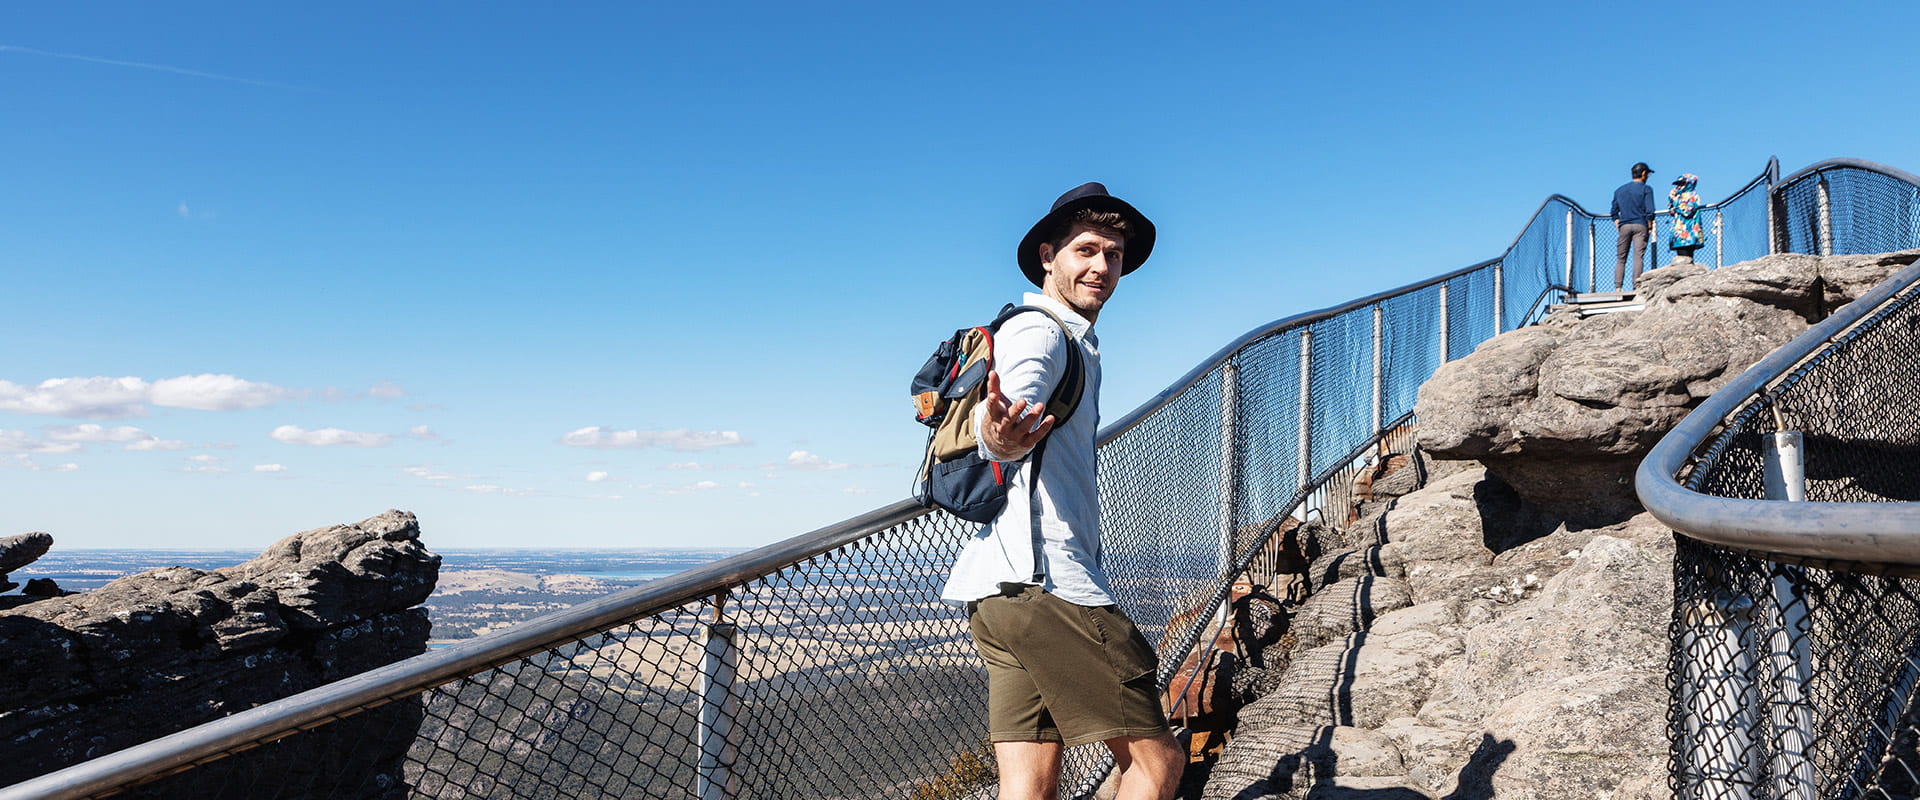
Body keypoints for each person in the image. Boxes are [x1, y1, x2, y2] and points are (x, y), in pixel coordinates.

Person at [940, 182, 1185, 800]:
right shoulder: (1043, 333)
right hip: (1049, 586)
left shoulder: (1065, 337)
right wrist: (999, 432)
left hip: (996, 595)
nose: (1103, 267)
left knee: (1027, 788)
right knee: (1155, 766)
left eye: (1115, 255)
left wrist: (1002, 435)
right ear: (1049, 255)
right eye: (1086, 250)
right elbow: (1008, 416)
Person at [1611, 162, 1657, 291]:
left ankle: (1618, 287)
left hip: (1624, 225)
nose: (1647, 176)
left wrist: (1617, 223)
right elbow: (1650, 210)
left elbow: (1614, 212)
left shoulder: (1619, 190)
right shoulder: (1646, 189)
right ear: (1643, 173)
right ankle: (1636, 286)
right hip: (1640, 225)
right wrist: (1649, 225)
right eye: (1647, 174)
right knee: (1638, 256)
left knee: (1621, 258)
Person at [1668, 173, 1706, 264]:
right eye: (1678, 184)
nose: (1679, 186)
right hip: (1679, 233)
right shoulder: (1679, 196)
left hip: (1689, 233)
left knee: (1687, 258)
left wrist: (1675, 201)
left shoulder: (1692, 195)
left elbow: (1687, 211)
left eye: (1682, 183)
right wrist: (1671, 200)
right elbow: (1672, 211)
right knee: (1680, 257)